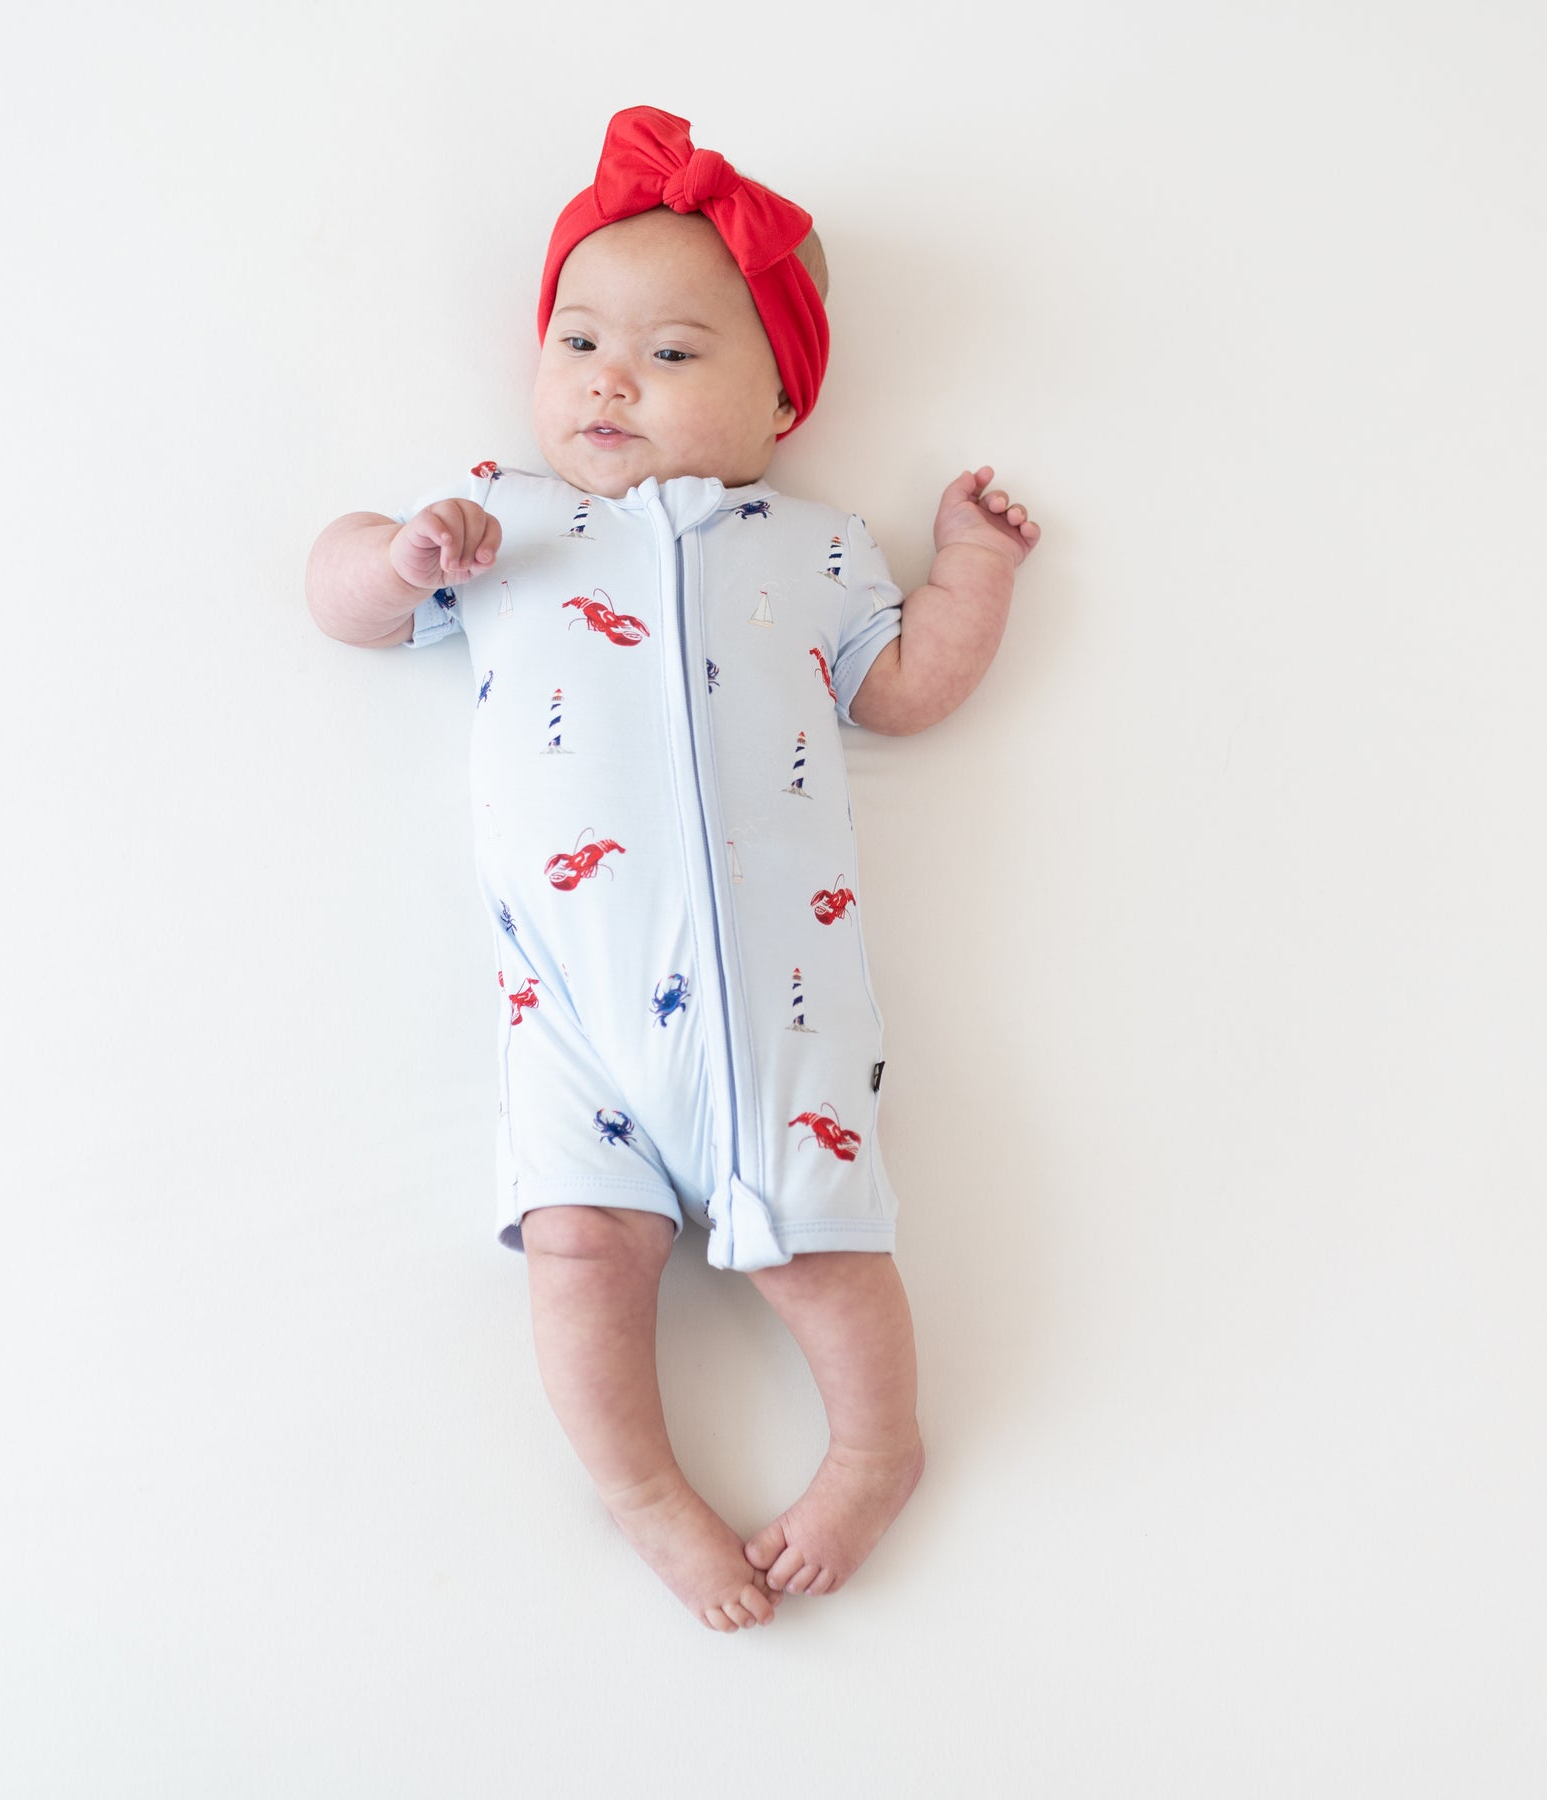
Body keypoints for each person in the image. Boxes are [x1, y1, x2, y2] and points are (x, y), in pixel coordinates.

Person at [305, 105, 1041, 1632]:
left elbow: (904, 692)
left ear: (782, 402)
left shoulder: (819, 546)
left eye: (674, 354)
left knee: (820, 1247)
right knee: (577, 1247)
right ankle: (643, 1491)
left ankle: (875, 1446)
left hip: (780, 999)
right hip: (570, 1001)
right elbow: (339, 598)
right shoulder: (502, 516)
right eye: (579, 340)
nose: (609, 378)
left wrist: (969, 567)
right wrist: (395, 561)